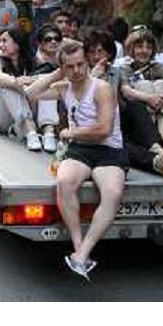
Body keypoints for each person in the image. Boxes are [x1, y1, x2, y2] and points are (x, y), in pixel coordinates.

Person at [25, 40, 126, 281]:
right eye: (70, 66)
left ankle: (83, 253)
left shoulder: (101, 88)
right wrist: (57, 73)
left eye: (81, 64)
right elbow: (31, 93)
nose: (77, 70)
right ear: (63, 68)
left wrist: (71, 133)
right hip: (80, 150)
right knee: (65, 181)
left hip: (108, 150)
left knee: (112, 192)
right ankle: (78, 247)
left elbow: (104, 129)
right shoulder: (64, 86)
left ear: (87, 62)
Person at [85, 30, 163, 177]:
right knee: (119, 144)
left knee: (135, 105)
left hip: (116, 121)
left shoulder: (115, 72)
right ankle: (157, 162)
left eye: (100, 52)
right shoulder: (81, 73)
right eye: (91, 52)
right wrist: (93, 78)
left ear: (108, 54)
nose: (96, 56)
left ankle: (158, 149)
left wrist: (152, 98)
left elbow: (125, 92)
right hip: (94, 127)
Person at [0, 24, 43, 151]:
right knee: (7, 87)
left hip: (29, 109)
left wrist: (31, 81)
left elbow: (45, 79)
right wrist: (17, 82)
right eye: (0, 41)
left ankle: (47, 133)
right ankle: (31, 133)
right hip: (2, 119)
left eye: (5, 41)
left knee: (43, 86)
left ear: (17, 43)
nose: (0, 45)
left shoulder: (35, 62)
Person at [32, 24, 64, 153]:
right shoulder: (32, 61)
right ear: (40, 43)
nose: (53, 42)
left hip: (62, 107)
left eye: (57, 39)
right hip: (33, 106)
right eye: (48, 39)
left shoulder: (65, 62)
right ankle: (48, 131)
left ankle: (51, 131)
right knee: (47, 84)